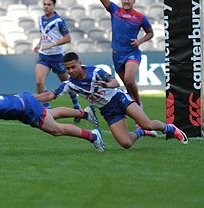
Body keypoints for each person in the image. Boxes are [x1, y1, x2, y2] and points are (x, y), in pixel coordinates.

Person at [36, 52, 188, 149]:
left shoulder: (95, 72)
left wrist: (107, 84)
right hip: (108, 111)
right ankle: (141, 133)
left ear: (79, 63)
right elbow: (51, 95)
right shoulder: (69, 84)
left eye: (72, 67)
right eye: (67, 68)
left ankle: (170, 129)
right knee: (126, 143)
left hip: (119, 99)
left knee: (146, 122)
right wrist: (32, 98)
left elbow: (115, 82)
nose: (70, 71)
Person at [0, 87, 105, 152]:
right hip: (23, 104)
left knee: (56, 130)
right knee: (51, 114)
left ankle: (94, 136)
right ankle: (85, 113)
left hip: (27, 108)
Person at [98, 0, 154, 107]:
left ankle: (138, 103)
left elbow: (150, 33)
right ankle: (134, 110)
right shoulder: (115, 10)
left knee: (129, 80)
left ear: (134, 1)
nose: (126, 1)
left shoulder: (140, 17)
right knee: (128, 87)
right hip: (117, 55)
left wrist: (139, 41)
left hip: (132, 53)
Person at [33, 0, 80, 122]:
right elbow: (43, 34)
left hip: (57, 56)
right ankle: (46, 111)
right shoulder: (40, 19)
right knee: (39, 82)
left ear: (54, 6)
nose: (46, 7)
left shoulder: (58, 21)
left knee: (68, 84)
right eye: (44, 4)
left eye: (49, 5)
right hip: (44, 55)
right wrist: (39, 44)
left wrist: (53, 44)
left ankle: (76, 105)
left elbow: (68, 38)